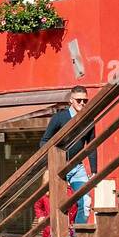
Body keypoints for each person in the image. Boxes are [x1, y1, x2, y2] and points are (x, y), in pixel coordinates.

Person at [40, 86, 95, 225]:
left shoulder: (88, 119)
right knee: (58, 204)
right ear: (71, 100)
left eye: (85, 100)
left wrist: (94, 170)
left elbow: (92, 145)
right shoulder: (59, 117)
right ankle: (61, 236)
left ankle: (77, 235)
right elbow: (44, 141)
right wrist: (50, 163)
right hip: (58, 167)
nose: (82, 103)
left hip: (77, 167)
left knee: (86, 202)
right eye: (79, 100)